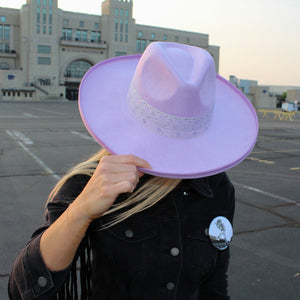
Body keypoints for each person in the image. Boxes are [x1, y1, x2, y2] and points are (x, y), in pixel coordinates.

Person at [8, 42, 258, 300]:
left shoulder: (217, 188)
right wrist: (80, 211)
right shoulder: (94, 182)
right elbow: (23, 289)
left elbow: (215, 287)